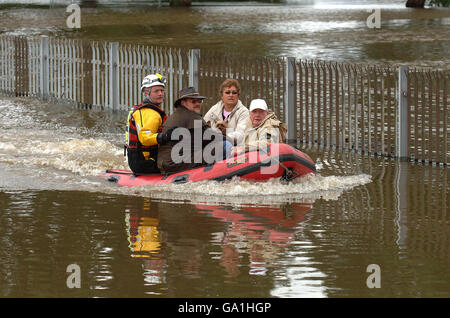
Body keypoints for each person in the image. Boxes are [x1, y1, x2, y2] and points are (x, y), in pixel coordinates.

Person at [157, 87, 230, 175]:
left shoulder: (178, 115)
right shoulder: (191, 116)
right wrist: (236, 142)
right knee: (225, 146)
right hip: (174, 163)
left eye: (199, 101)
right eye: (193, 101)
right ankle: (223, 173)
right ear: (183, 103)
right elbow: (212, 136)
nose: (197, 104)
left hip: (166, 163)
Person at [125, 73, 177, 174]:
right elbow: (145, 138)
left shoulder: (147, 110)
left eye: (162, 90)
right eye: (156, 91)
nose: (160, 94)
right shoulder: (148, 112)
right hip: (146, 162)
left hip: (140, 160)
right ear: (146, 93)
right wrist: (165, 136)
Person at [203, 79, 249, 148]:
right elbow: (203, 124)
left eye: (234, 93)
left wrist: (222, 137)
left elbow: (240, 135)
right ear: (222, 95)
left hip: (235, 147)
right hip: (214, 144)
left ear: (238, 95)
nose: (231, 95)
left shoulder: (244, 112)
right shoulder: (214, 109)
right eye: (227, 92)